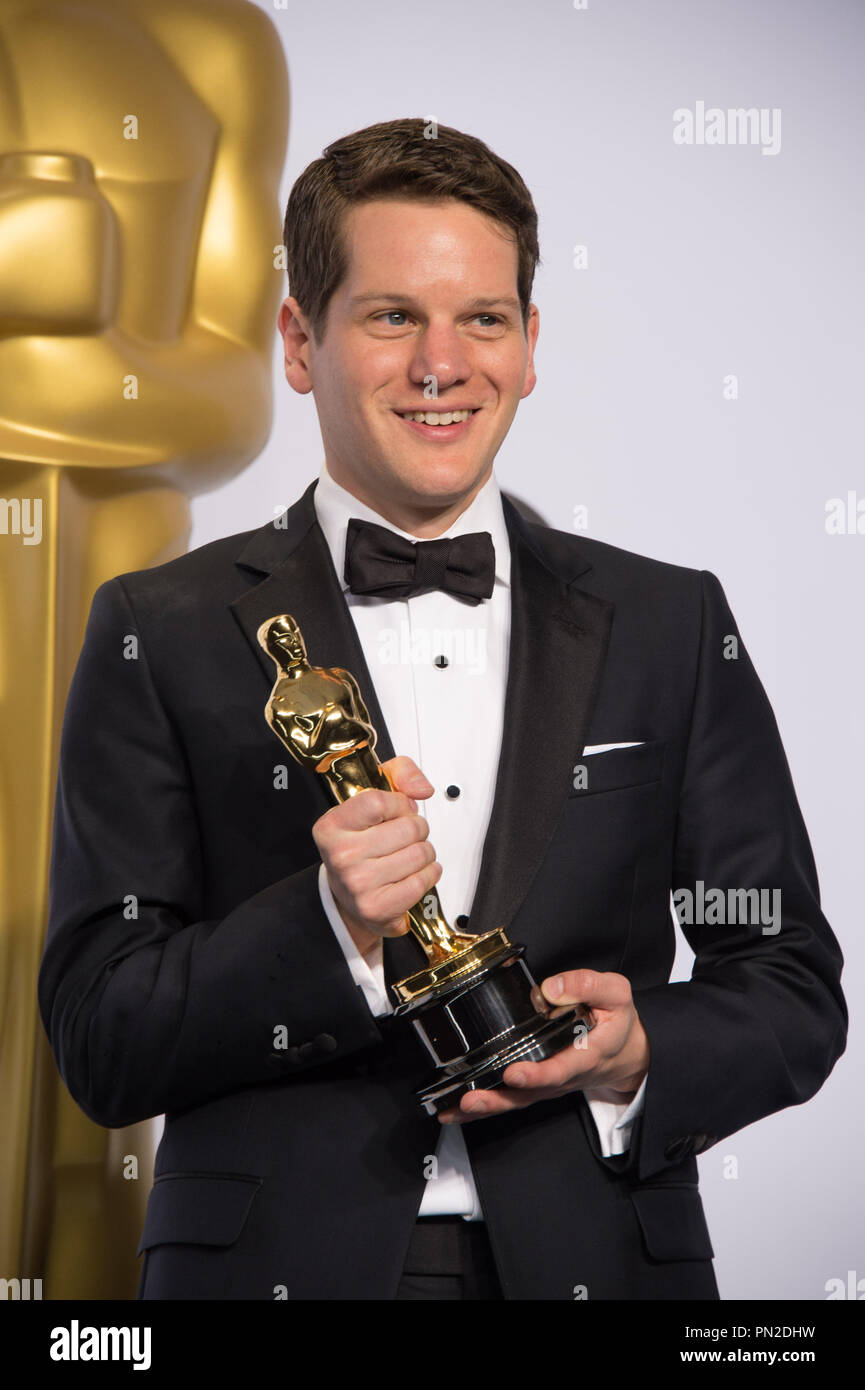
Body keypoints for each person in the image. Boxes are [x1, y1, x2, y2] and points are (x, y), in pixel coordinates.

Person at [38, 117, 847, 1301]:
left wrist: (637, 1056)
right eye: (389, 316)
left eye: (482, 317)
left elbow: (788, 982)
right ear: (299, 341)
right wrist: (325, 927)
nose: (440, 363)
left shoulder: (671, 620)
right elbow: (101, 1036)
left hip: (605, 1262)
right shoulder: (155, 625)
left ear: (529, 346)